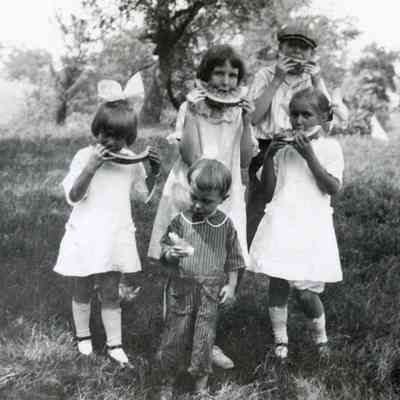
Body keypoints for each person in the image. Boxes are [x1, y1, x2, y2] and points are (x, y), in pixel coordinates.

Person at [148, 45, 255, 368]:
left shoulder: (239, 110)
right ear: (205, 76)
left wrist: (248, 120)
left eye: (233, 74)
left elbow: (247, 158)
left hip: (226, 194)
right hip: (192, 191)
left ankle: (206, 340)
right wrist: (193, 114)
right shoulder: (189, 107)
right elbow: (192, 158)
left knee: (215, 270)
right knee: (181, 267)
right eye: (219, 73)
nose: (225, 81)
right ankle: (173, 338)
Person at [54, 93, 161, 366]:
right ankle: (83, 337)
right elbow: (74, 196)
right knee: (82, 287)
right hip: (85, 234)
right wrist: (91, 168)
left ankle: (115, 344)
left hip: (114, 234)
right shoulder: (83, 156)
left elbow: (141, 197)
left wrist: (154, 173)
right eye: (104, 134)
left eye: (118, 136)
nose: (110, 141)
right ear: (96, 130)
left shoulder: (130, 161)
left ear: (128, 138)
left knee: (111, 291)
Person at [250, 88, 344, 360]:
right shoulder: (282, 149)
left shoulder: (330, 147)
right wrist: (269, 157)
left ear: (324, 117)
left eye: (306, 114)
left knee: (305, 292)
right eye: (294, 114)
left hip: (310, 226)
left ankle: (320, 338)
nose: (299, 120)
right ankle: (281, 340)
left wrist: (309, 156)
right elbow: (267, 191)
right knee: (278, 282)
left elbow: (332, 187)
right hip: (281, 222)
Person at [157, 159, 245, 399]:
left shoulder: (225, 225)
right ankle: (168, 380)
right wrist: (170, 254)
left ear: (223, 199)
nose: (197, 205)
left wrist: (231, 284)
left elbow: (234, 259)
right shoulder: (180, 222)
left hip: (210, 292)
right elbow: (163, 253)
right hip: (182, 289)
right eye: (194, 197)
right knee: (175, 335)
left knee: (204, 338)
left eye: (206, 201)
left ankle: (200, 385)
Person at [247, 20, 330, 245]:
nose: (296, 50)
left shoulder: (312, 80)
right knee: (257, 208)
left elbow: (327, 124)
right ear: (279, 49)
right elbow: (253, 118)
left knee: (292, 210)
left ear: (312, 53)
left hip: (301, 150)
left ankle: (285, 267)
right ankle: (246, 261)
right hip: (266, 149)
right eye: (290, 44)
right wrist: (277, 79)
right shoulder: (265, 74)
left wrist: (317, 79)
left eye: (303, 47)